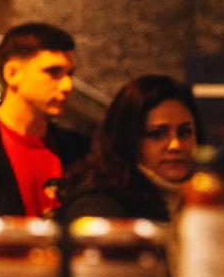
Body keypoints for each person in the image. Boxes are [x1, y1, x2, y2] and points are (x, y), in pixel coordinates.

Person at [0, 22, 89, 216]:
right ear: (12, 73)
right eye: (53, 72)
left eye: (70, 74)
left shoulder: (77, 149)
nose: (67, 85)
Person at [58, 75, 201, 225]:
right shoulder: (98, 206)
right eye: (156, 134)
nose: (175, 145)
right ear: (127, 139)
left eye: (185, 132)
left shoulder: (207, 199)